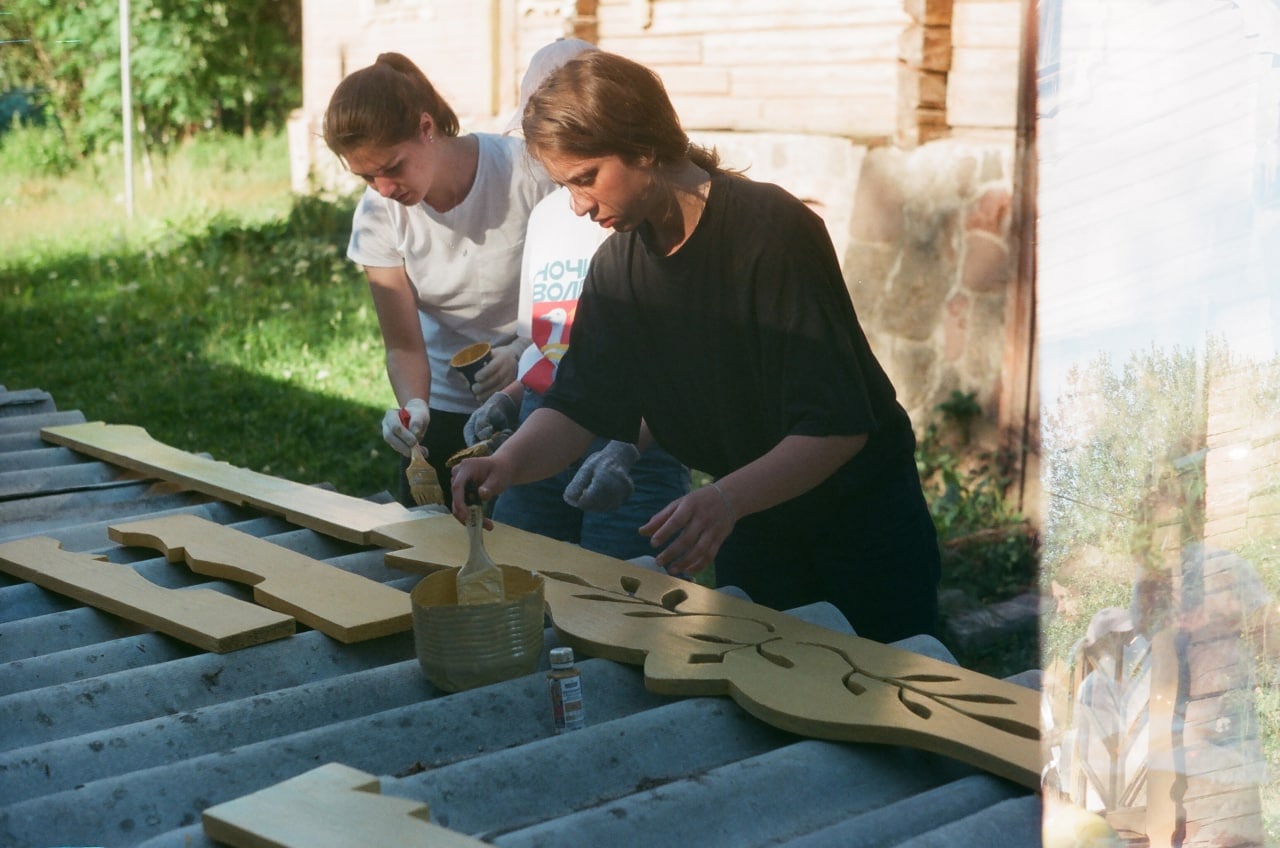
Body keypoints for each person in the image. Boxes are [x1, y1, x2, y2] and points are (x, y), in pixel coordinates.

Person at [450, 50, 940, 643]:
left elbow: (838, 428)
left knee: (883, 704)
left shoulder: (772, 233)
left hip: (859, 525)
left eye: (586, 178)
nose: (578, 205)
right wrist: (507, 464)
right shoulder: (618, 268)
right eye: (565, 185)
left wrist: (725, 500)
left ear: (646, 147)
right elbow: (579, 403)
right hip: (756, 521)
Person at [463, 38, 691, 561]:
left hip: (637, 442)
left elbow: (681, 367)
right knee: (528, 577)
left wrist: (626, 448)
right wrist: (513, 395)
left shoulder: (636, 221)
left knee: (623, 609)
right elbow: (552, 347)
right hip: (547, 427)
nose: (580, 203)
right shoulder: (548, 218)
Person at [323, 52, 557, 507]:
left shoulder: (524, 173)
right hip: (447, 400)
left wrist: (524, 354)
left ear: (426, 129)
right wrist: (415, 407)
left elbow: (574, 291)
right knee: (431, 546)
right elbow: (404, 345)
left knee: (528, 547)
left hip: (536, 389)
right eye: (367, 176)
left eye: (392, 167)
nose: (384, 188)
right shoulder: (378, 215)